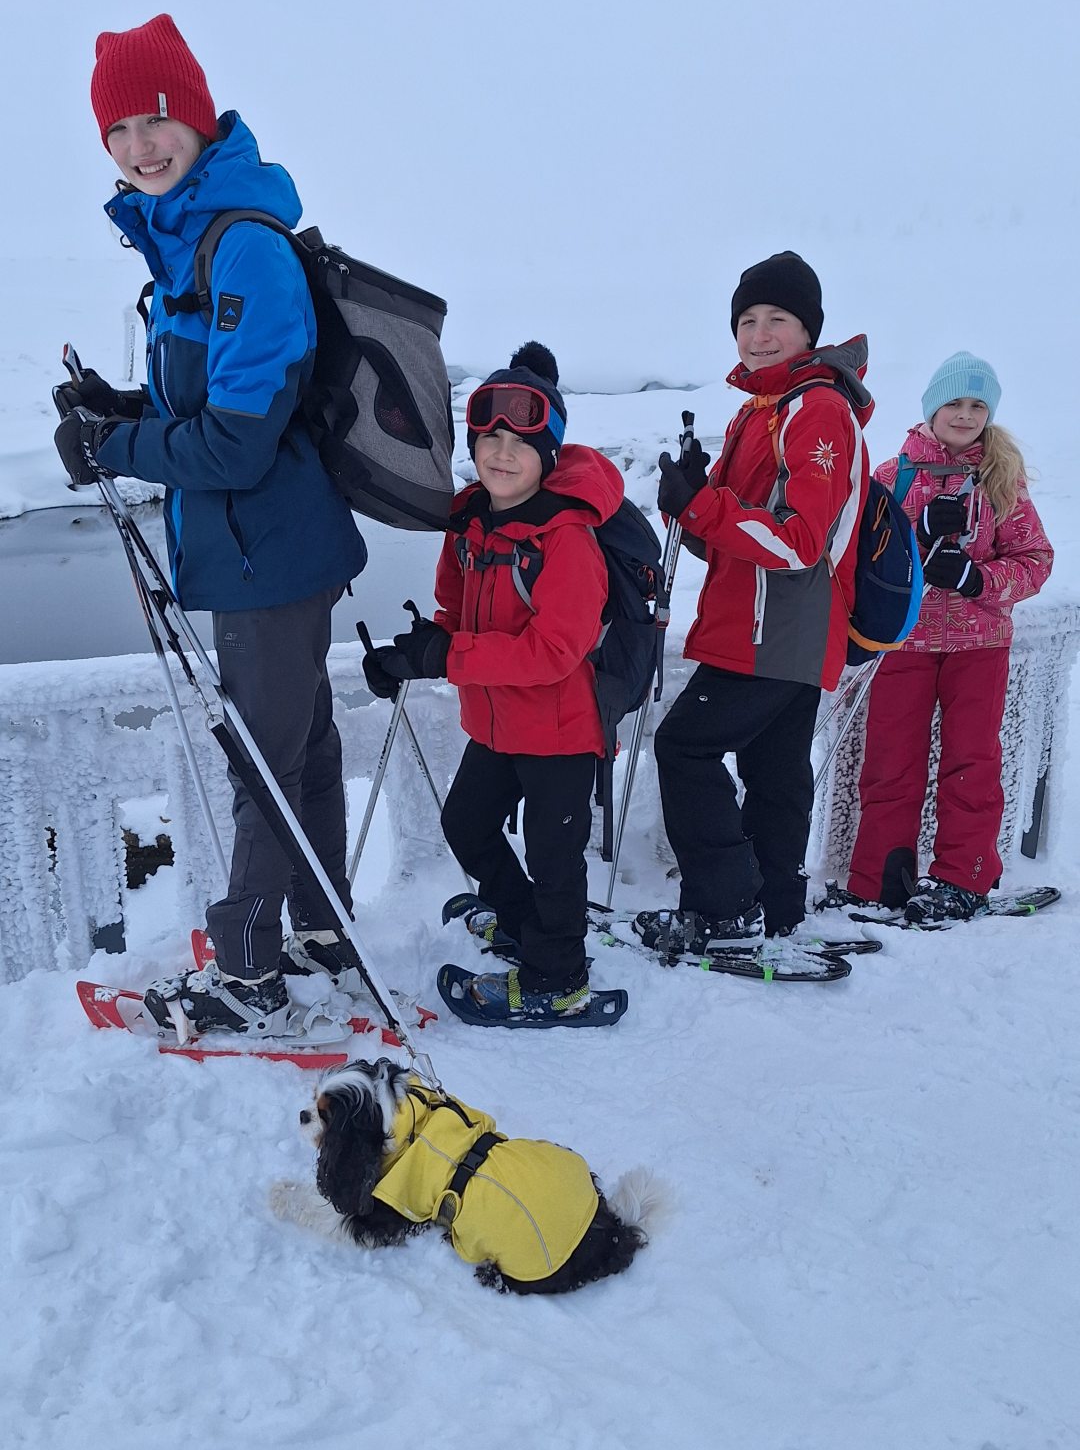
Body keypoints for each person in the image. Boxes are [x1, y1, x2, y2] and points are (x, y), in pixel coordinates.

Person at [53, 14, 367, 1034]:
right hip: (264, 549)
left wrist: (113, 448)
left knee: (263, 766)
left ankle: (249, 975)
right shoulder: (190, 239)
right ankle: (320, 929)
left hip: (266, 553)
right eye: (118, 131)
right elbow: (202, 404)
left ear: (194, 117)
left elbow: (235, 445)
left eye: (155, 120)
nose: (139, 145)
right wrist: (118, 408)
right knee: (301, 746)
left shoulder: (244, 249)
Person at [364, 343, 625, 1026]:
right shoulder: (470, 523)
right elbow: (454, 615)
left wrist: (446, 657)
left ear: (548, 453)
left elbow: (555, 651)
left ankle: (559, 978)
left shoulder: (567, 539)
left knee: (554, 857)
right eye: (490, 440)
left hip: (561, 731)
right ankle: (522, 922)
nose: (502, 454)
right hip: (497, 723)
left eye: (520, 444)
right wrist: (407, 657)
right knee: (466, 825)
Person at [631, 250, 872, 962]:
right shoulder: (762, 410)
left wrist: (705, 506)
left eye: (778, 320)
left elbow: (798, 541)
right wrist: (692, 503)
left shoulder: (816, 409)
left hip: (777, 629)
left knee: (684, 745)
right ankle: (776, 909)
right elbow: (734, 544)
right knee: (773, 770)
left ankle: (725, 905)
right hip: (776, 627)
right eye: (747, 321)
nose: (760, 334)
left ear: (809, 332)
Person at [826, 352, 1053, 924]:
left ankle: (963, 876)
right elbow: (861, 553)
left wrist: (978, 579)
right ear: (932, 407)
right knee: (890, 761)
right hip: (903, 643)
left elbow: (1035, 559)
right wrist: (920, 532)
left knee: (972, 761)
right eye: (954, 402)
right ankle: (879, 877)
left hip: (980, 644)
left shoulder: (1001, 478)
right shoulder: (892, 475)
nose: (966, 415)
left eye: (978, 405)